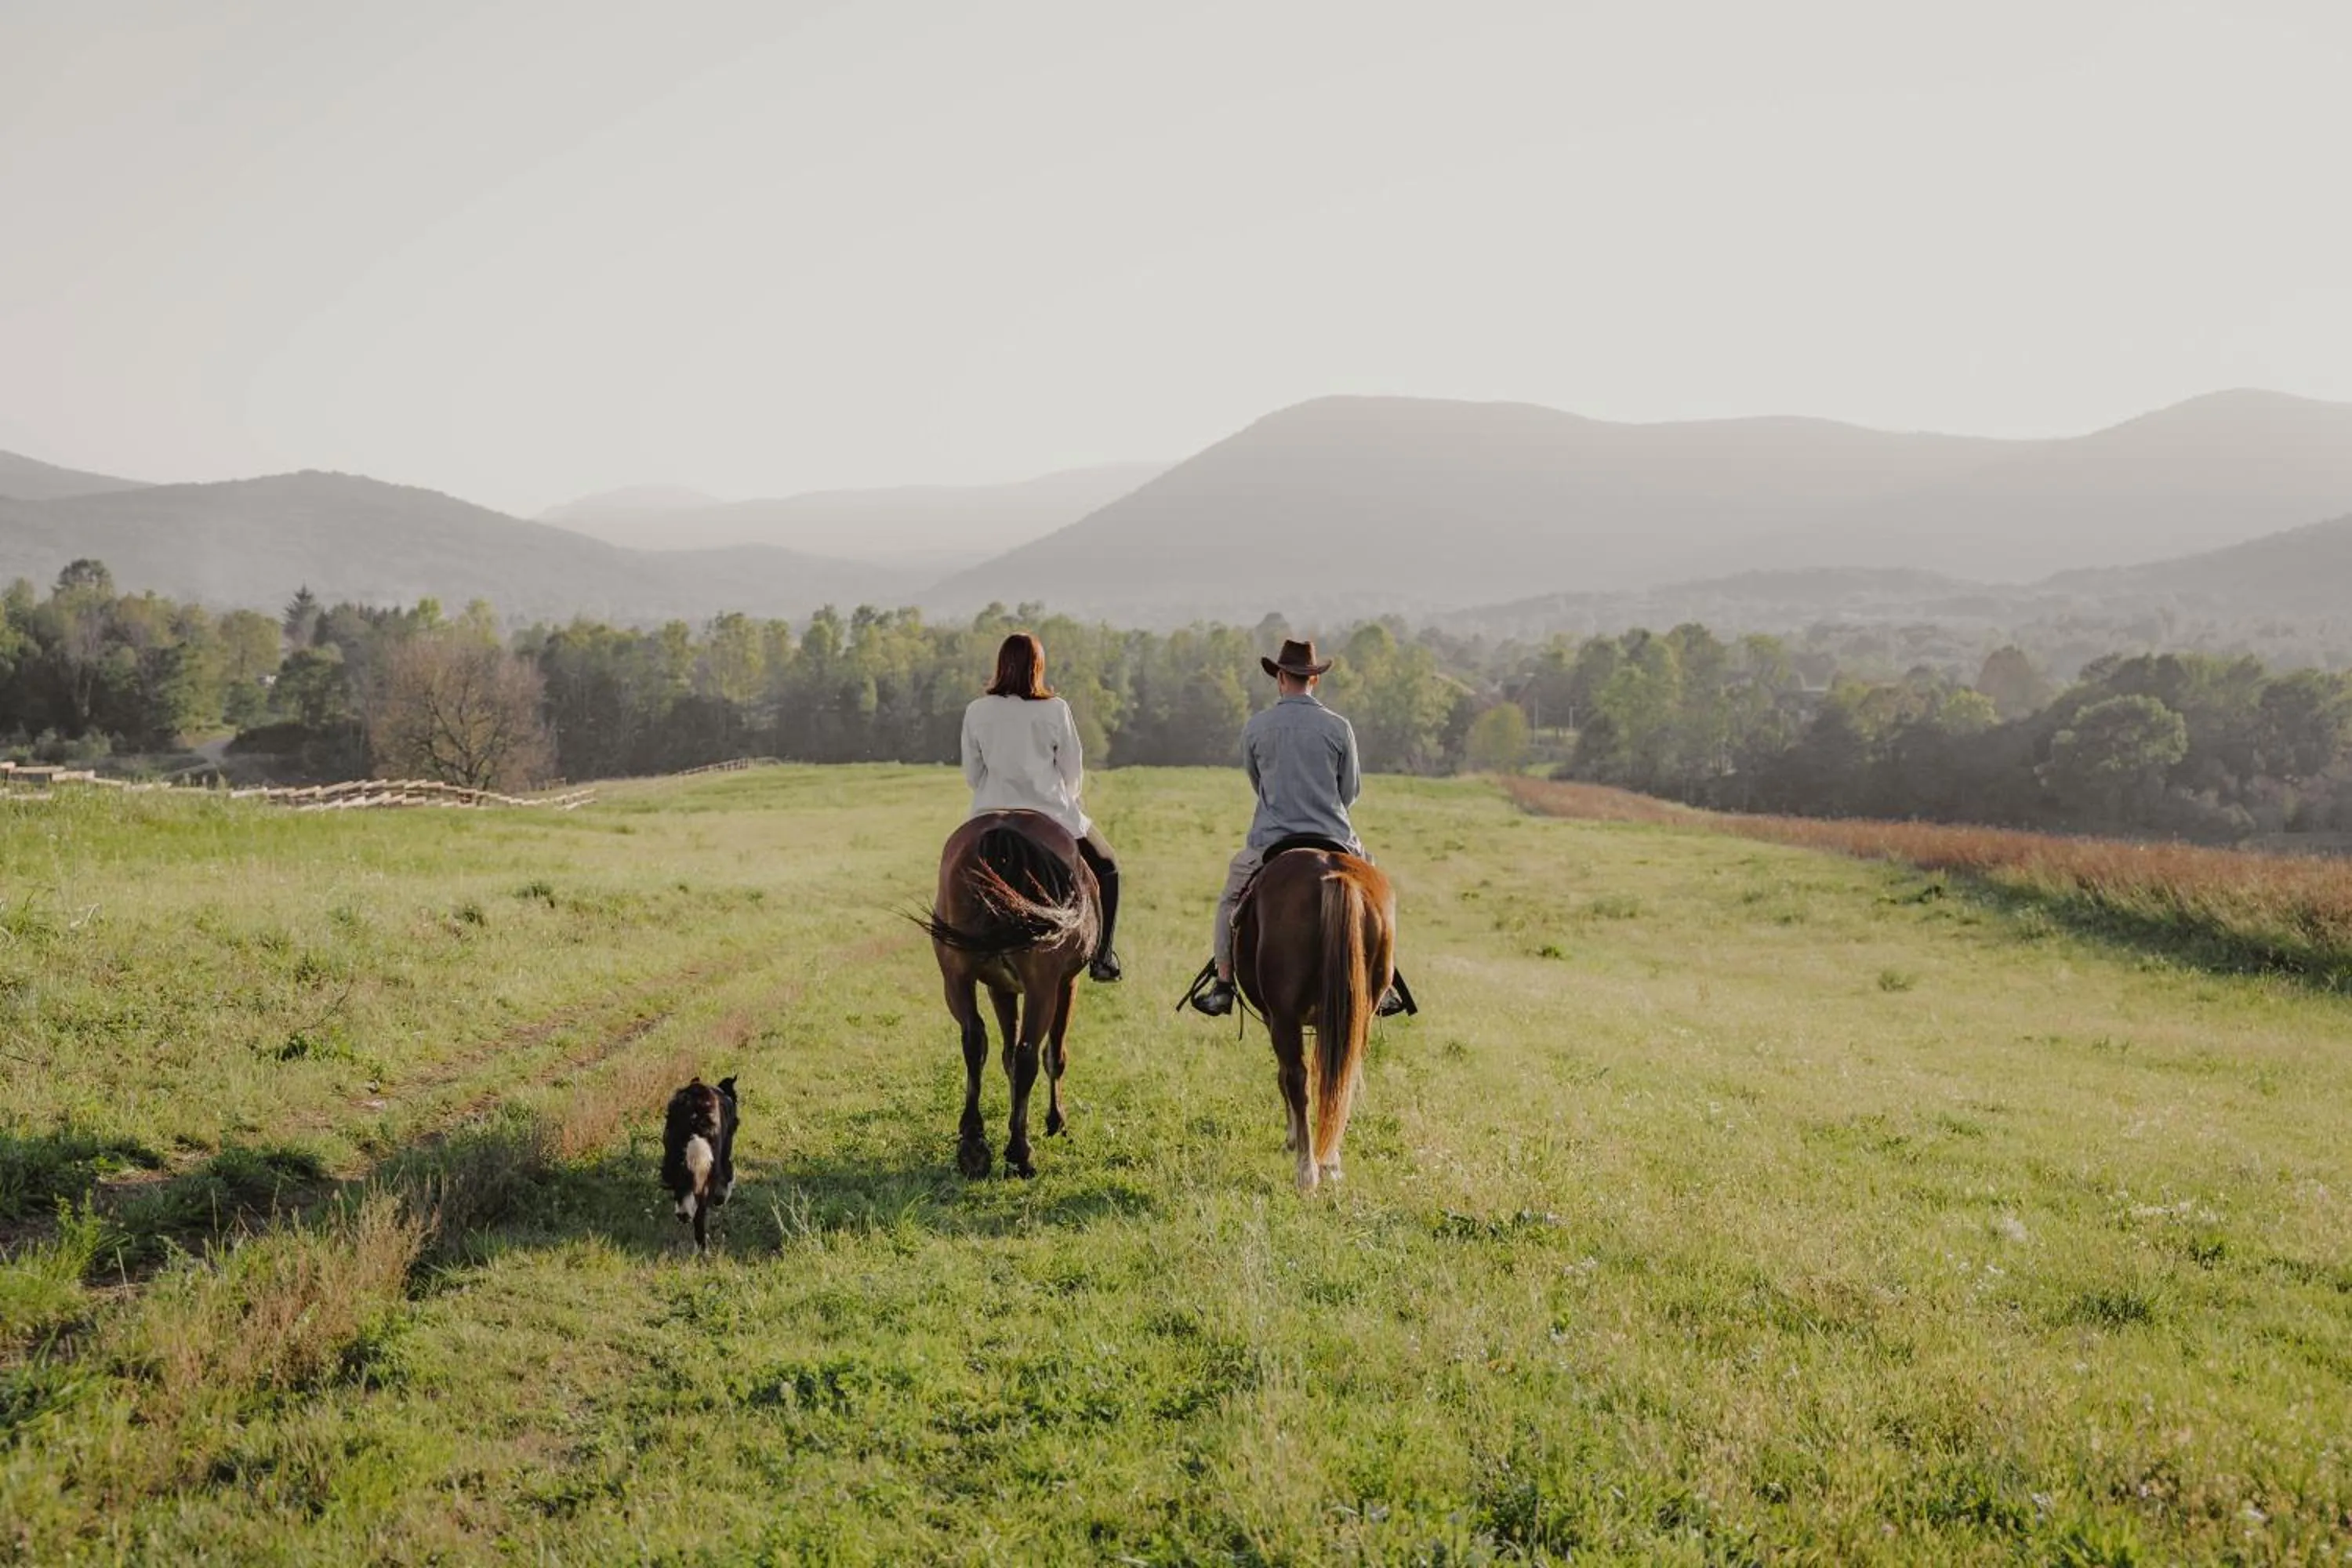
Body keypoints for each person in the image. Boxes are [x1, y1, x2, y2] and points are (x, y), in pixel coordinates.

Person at [1189, 637, 1410, 1018]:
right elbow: (1349, 792)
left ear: (1280, 678)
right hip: (1335, 837)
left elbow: (1258, 784)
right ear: (1314, 679)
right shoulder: (1339, 727)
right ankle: (1384, 984)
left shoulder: (1256, 727)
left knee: (1230, 899)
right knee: (1376, 895)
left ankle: (1223, 983)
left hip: (1273, 840)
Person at [960, 631, 1122, 982]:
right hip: (1049, 813)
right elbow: (1072, 770)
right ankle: (1103, 956)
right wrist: (1070, 798)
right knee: (1108, 866)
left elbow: (972, 775)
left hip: (989, 813)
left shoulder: (976, 711)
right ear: (1038, 667)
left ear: (1001, 665)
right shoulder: (1055, 709)